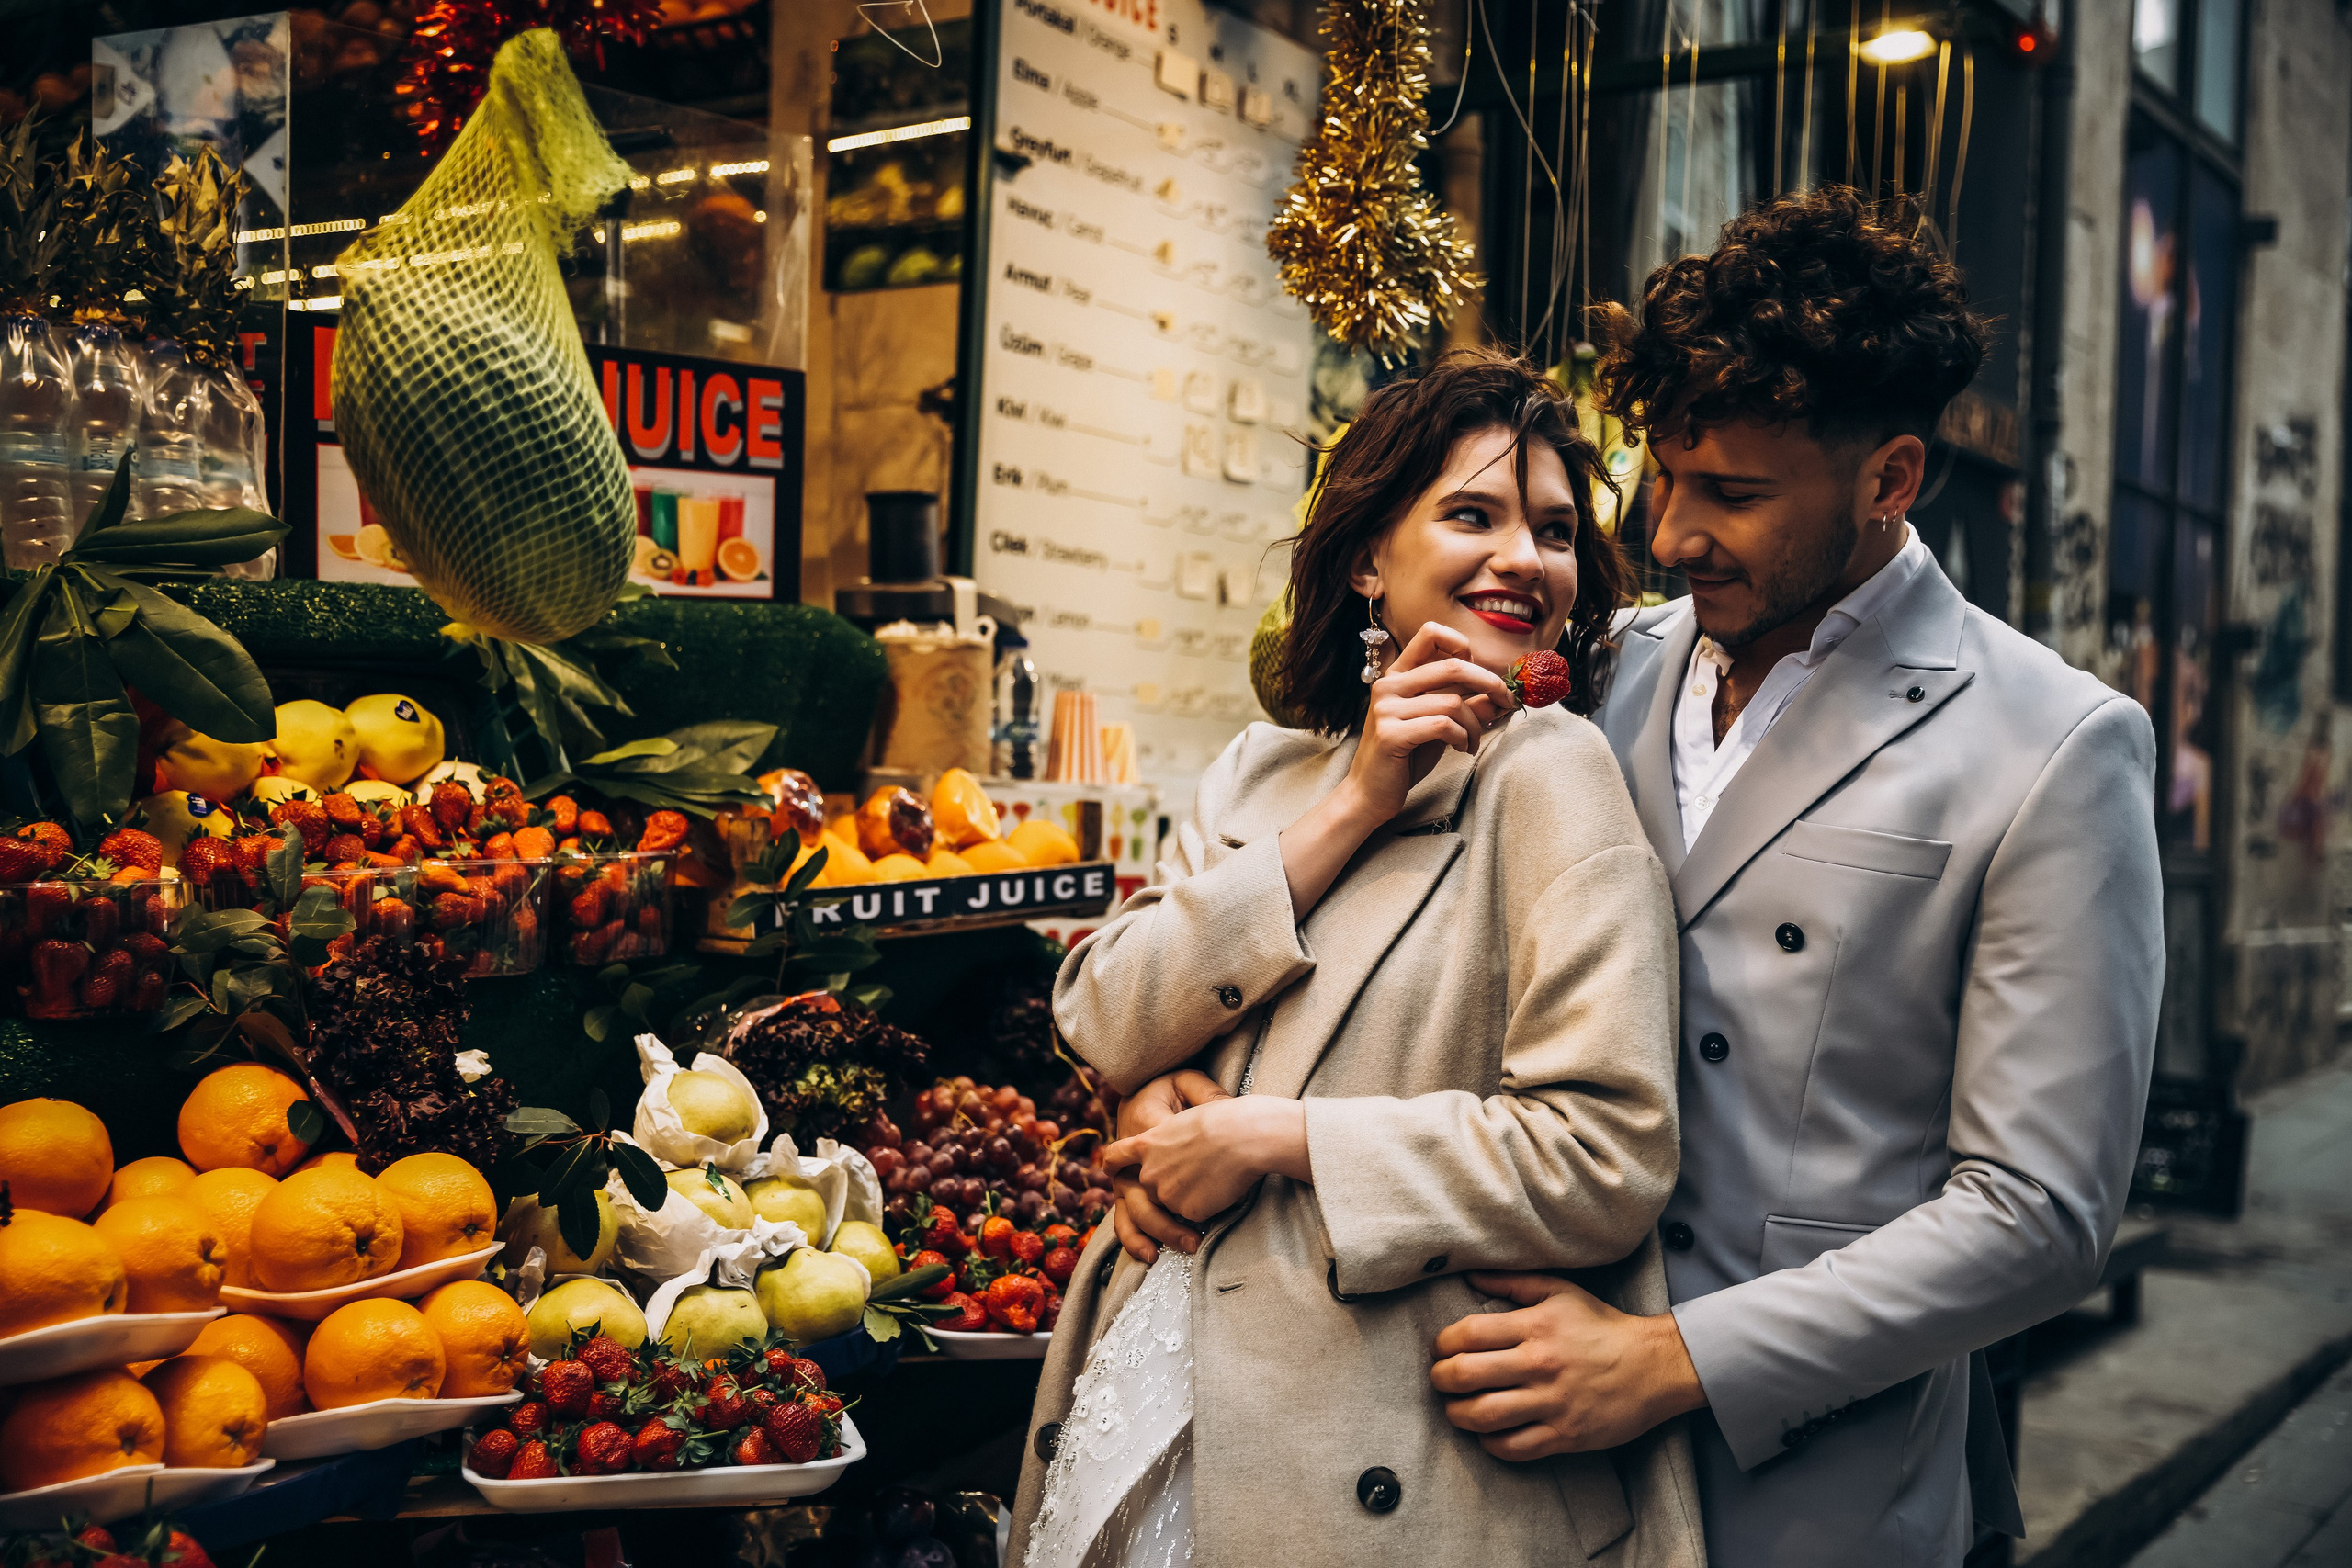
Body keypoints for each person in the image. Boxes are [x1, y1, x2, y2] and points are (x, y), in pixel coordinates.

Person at [1415, 190, 2166, 1565]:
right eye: (1661, 475)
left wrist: (1667, 1360)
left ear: (1890, 480)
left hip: (1820, 1493)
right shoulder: (1608, 667)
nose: (1673, 532)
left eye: (1736, 496)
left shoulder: (2056, 746)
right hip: (1520, 1469)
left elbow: (2041, 1217)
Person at [1005, 351, 1705, 1568]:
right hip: (1156, 1383)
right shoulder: (1261, 773)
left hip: (1378, 1446)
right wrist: (1356, 803)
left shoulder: (1551, 775)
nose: (1524, 561)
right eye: (1473, 514)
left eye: (1553, 531)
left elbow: (1607, 1157)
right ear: (1371, 558)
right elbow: (1103, 1015)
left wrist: (1268, 1136)